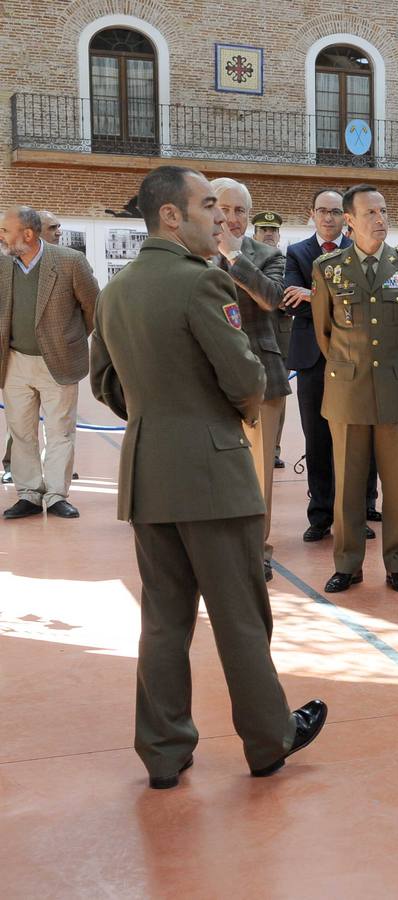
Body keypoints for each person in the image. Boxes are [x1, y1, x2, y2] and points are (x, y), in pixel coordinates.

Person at [89, 165, 325, 789]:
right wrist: (230, 415)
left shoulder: (117, 291)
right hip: (214, 472)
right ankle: (269, 739)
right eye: (205, 207)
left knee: (164, 620)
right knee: (240, 614)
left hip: (147, 474)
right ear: (171, 215)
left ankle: (164, 752)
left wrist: (156, 416)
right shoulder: (202, 284)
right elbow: (246, 379)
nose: (217, 219)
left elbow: (106, 383)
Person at [310, 184, 398, 595]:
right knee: (347, 484)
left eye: (384, 211)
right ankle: (348, 564)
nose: (381, 219)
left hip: (396, 388)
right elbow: (324, 334)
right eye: (371, 213)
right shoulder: (329, 267)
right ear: (350, 220)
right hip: (348, 390)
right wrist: (352, 366)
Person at [281, 189, 374, 543]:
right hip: (312, 360)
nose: (329, 218)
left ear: (346, 217)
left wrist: (315, 296)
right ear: (312, 214)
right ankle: (320, 514)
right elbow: (291, 301)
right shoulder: (298, 253)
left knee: (356, 438)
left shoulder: (358, 252)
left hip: (353, 357)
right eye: (323, 211)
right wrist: (332, 300)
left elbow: (363, 302)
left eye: (336, 212)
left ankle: (360, 510)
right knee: (318, 439)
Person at [211, 178, 291, 582]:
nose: (233, 218)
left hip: (261, 375)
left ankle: (257, 551)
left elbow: (272, 298)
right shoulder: (193, 251)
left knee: (260, 473)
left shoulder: (268, 254)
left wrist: (233, 257)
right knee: (211, 468)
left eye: (241, 210)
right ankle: (217, 550)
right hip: (206, 378)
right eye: (225, 209)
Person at [0, 205, 98, 520]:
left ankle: (56, 495)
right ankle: (28, 493)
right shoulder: (3, 266)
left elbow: (93, 308)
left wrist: (71, 340)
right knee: (21, 430)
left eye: (5, 231)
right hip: (13, 360)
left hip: (58, 360)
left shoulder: (70, 263)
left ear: (27, 235)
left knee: (60, 430)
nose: (1, 237)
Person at [252, 210, 289, 467]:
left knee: (277, 396)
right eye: (263, 229)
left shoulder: (288, 263)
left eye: (272, 230)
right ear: (254, 233)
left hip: (280, 336)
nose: (268, 233)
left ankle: (273, 448)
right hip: (253, 333)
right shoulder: (245, 259)